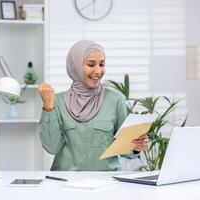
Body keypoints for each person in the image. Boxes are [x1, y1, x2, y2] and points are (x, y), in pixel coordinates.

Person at [38, 40, 149, 171]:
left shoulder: (116, 100)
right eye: (91, 64)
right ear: (75, 66)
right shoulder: (56, 101)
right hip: (66, 183)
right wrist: (48, 107)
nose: (98, 71)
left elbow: (124, 149)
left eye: (102, 64)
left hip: (106, 183)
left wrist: (136, 147)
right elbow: (51, 148)